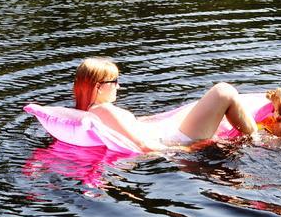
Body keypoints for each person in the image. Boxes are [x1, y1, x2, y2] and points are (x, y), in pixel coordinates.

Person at [73, 57, 258, 152]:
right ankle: (257, 139)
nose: (118, 86)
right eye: (114, 82)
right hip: (176, 140)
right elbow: (142, 145)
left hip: (167, 133)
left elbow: (131, 127)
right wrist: (183, 149)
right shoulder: (103, 110)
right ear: (98, 87)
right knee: (223, 91)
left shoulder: (93, 110)